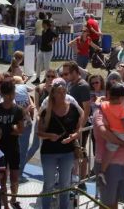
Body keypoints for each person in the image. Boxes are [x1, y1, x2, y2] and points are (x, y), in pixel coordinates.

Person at [36, 80, 83, 209]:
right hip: (49, 153)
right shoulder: (46, 111)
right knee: (49, 184)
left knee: (65, 185)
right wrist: (49, 136)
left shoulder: (73, 108)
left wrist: (73, 137)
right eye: (59, 92)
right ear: (53, 94)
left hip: (67, 152)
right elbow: (38, 132)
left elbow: (79, 129)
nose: (62, 95)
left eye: (64, 92)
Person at [92, 82, 124, 208]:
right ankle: (102, 172)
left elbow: (98, 102)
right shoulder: (101, 112)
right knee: (106, 205)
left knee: (114, 203)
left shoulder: (110, 107)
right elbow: (103, 132)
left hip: (122, 166)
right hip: (110, 167)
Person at [0, 79, 24, 209]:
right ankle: (5, 205)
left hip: (13, 147)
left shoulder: (18, 110)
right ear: (2, 94)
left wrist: (12, 130)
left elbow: (21, 130)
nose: (9, 96)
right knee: (2, 178)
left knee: (15, 177)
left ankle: (14, 199)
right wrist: (10, 130)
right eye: (7, 94)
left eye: (12, 93)